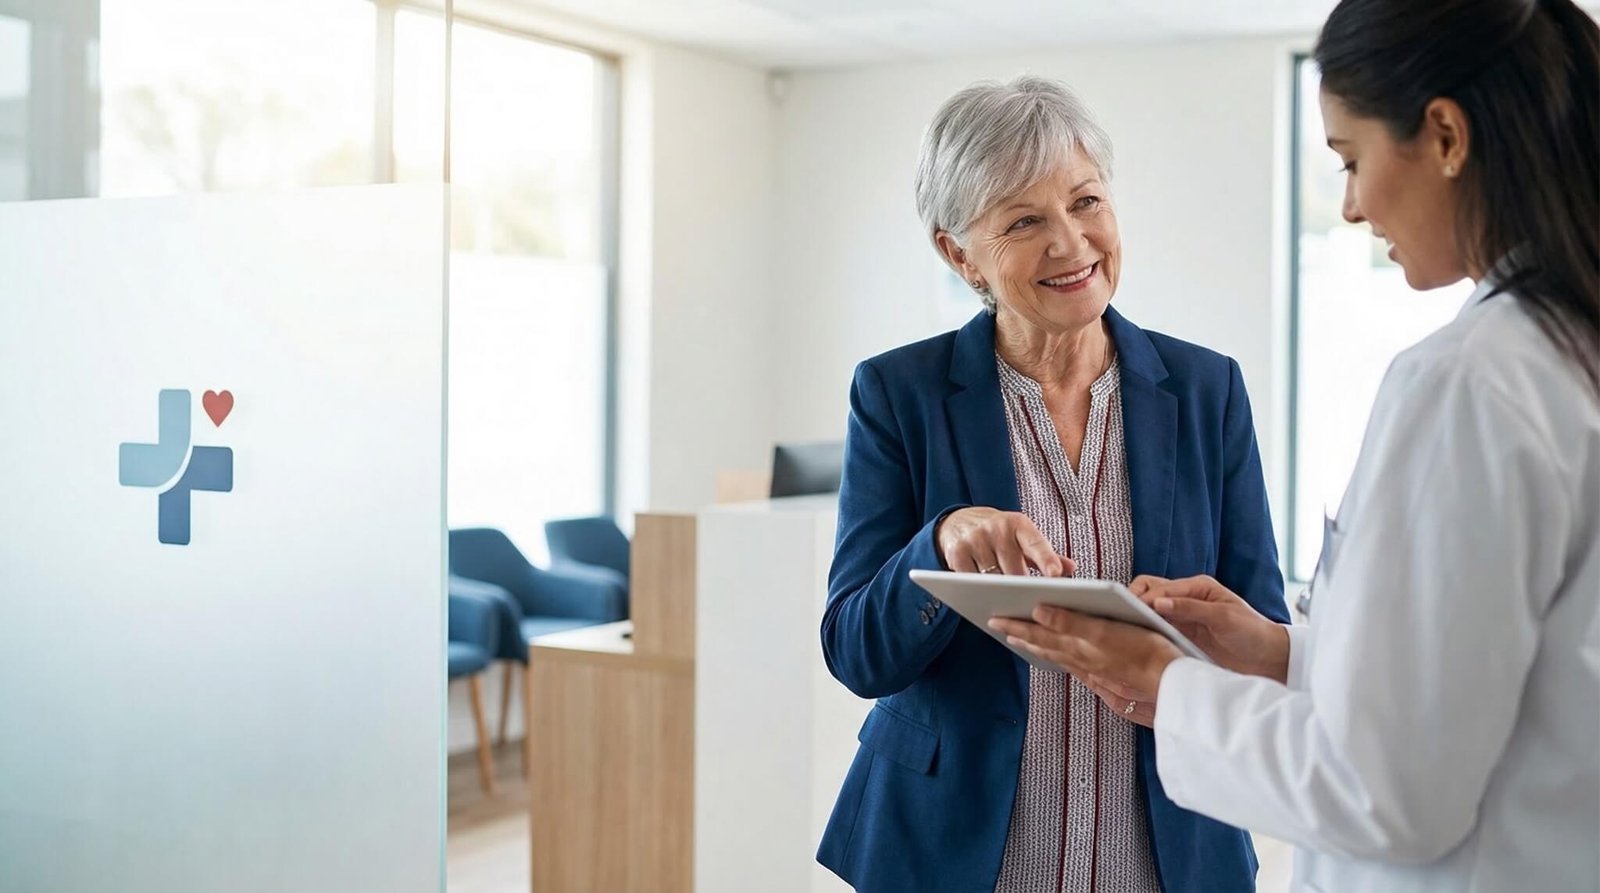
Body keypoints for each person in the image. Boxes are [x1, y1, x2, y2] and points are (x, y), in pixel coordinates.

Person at [993, 1, 1600, 890]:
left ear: (1444, 136)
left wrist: (1170, 682)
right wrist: (1286, 654)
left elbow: (1383, 787)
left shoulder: (1471, 379)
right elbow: (1515, 672)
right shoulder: (1564, 353)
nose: (1351, 206)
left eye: (1351, 160)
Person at [817, 75, 1290, 892]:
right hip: (955, 854)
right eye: (1025, 221)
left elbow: (1261, 628)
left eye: (1086, 201)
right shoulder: (899, 392)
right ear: (958, 252)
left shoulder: (1208, 390)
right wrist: (937, 544)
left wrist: (1195, 647)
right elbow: (856, 649)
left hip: (1166, 851)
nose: (1071, 244)